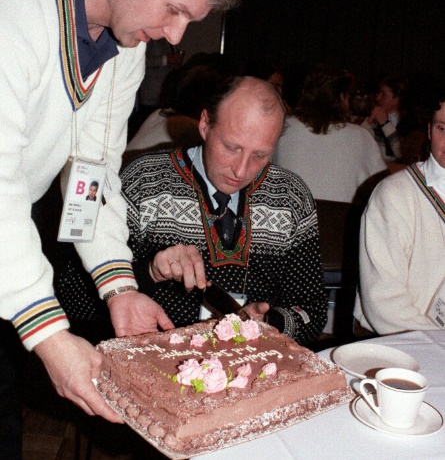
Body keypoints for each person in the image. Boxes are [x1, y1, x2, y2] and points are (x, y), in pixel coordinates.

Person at [0, 0, 241, 454]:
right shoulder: (16, 7)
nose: (176, 36)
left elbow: (93, 176)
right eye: (174, 9)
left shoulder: (124, 45)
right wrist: (48, 333)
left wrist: (118, 286)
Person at [120, 77, 328, 345]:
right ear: (205, 124)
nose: (241, 171)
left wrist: (268, 324)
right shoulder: (144, 181)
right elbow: (78, 298)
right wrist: (150, 272)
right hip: (155, 361)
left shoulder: (290, 196)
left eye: (260, 155)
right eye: (232, 148)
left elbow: (312, 309)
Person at [353, 96, 445, 335]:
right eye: (442, 128)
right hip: (401, 340)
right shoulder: (394, 195)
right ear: (429, 130)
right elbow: (384, 304)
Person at [273, 64, 387, 204]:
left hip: (286, 220)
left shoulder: (281, 127)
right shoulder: (362, 137)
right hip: (341, 224)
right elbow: (382, 188)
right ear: (341, 97)